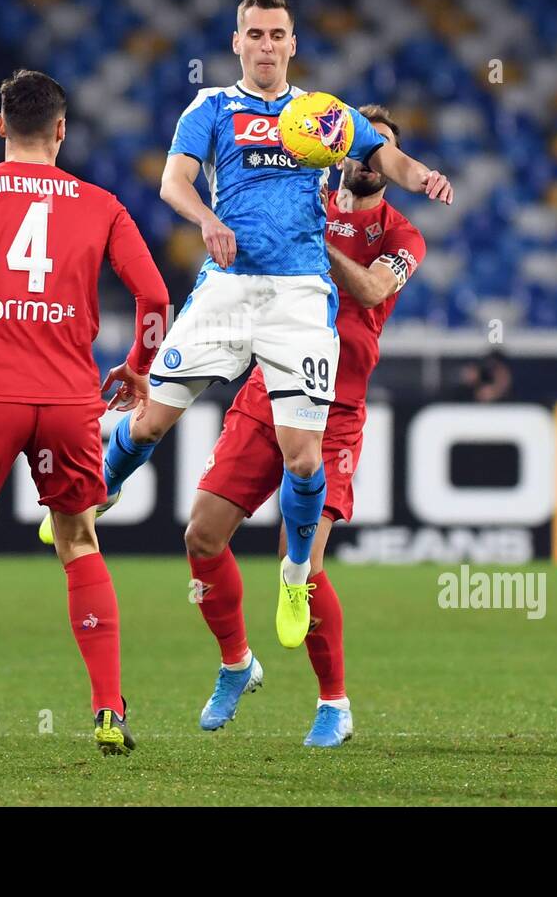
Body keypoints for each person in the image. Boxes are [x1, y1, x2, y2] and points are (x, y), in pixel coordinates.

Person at [41, 0, 453, 652]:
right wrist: (206, 219)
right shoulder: (210, 108)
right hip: (226, 289)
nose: (266, 45)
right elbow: (173, 181)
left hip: (297, 296)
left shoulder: (320, 115)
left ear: (293, 45)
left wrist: (422, 174)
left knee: (302, 455)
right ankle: (102, 485)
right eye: (254, 34)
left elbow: (384, 156)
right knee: (148, 419)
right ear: (237, 43)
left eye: (277, 35)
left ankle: (294, 574)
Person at [0, 69, 169, 755]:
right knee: (79, 541)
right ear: (61, 130)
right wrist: (138, 369)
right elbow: (153, 296)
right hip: (68, 398)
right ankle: (109, 709)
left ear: (0, 125)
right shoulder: (103, 205)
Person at [184, 105, 426, 746]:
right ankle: (237, 662)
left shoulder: (403, 237)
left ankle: (334, 703)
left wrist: (311, 239)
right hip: (270, 389)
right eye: (353, 145)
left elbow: (374, 292)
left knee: (305, 566)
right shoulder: (307, 191)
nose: (361, 159)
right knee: (202, 536)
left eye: (378, 150)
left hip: (336, 412)